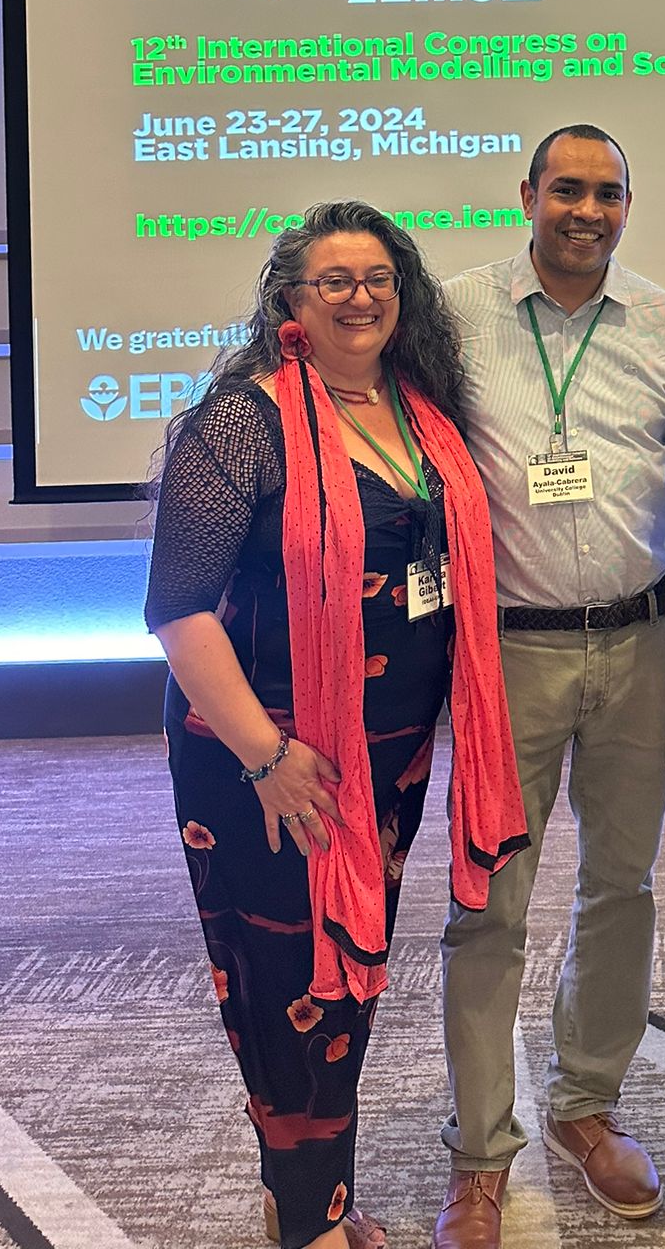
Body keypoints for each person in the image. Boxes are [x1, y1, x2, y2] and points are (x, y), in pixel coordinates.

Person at [147, 199, 527, 1249]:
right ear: (289, 303)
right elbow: (176, 609)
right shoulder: (242, 422)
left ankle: (308, 1191)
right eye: (335, 279)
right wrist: (265, 757)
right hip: (267, 755)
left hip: (383, 754)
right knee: (289, 978)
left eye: (378, 277)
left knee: (347, 975)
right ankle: (310, 1217)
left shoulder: (419, 415)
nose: (361, 296)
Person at [433, 125, 665, 1249]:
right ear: (527, 195)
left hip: (646, 644)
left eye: (607, 192)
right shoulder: (452, 315)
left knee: (622, 885)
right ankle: (479, 1152)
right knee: (488, 905)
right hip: (508, 655)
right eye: (566, 189)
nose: (586, 209)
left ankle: (586, 1101)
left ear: (628, 205)